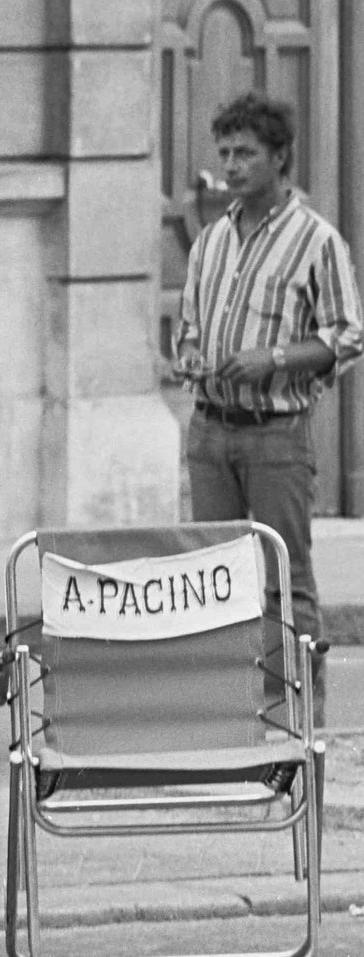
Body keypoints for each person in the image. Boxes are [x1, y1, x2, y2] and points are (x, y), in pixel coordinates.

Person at [176, 91, 363, 721]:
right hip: (210, 430)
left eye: (246, 153)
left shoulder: (317, 241)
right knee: (215, 579)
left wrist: (274, 359)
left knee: (288, 578)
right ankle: (230, 719)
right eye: (224, 152)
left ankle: (300, 719)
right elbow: (191, 330)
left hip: (277, 433)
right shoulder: (209, 241)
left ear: (279, 158)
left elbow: (347, 333)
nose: (231, 165)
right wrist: (194, 360)